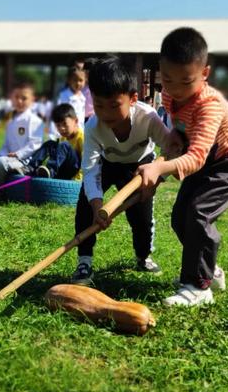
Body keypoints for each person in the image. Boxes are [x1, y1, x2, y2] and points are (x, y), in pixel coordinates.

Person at [136, 27, 228, 307]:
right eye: (168, 80)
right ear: (160, 71)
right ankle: (209, 269)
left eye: (186, 82)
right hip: (204, 156)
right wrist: (175, 135)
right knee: (180, 217)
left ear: (204, 74)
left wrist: (157, 169)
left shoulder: (209, 105)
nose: (176, 89)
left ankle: (198, 287)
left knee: (198, 212)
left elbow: (197, 159)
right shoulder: (168, 96)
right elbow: (179, 124)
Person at [70, 55, 173, 285]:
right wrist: (98, 205)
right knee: (86, 205)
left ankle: (143, 256)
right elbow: (90, 170)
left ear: (133, 98)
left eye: (115, 105)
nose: (106, 114)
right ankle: (84, 261)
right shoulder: (93, 127)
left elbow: (171, 148)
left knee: (141, 218)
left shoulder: (148, 118)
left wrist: (156, 177)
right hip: (107, 165)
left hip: (141, 168)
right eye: (98, 106)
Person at [0, 82, 44, 184]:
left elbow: (35, 144)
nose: (19, 101)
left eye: (24, 98)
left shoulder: (34, 120)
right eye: (16, 97)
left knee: (1, 163)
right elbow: (6, 145)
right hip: (10, 159)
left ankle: (2, 189)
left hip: (25, 162)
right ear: (11, 98)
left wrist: (18, 154)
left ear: (32, 100)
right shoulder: (11, 121)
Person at [25, 103, 83, 180]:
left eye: (65, 124)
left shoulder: (82, 138)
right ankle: (31, 167)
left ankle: (50, 170)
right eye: (58, 125)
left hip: (74, 171)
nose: (62, 128)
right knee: (50, 143)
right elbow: (58, 157)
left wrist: (77, 180)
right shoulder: (63, 138)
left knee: (64, 145)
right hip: (62, 170)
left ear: (75, 121)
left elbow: (86, 163)